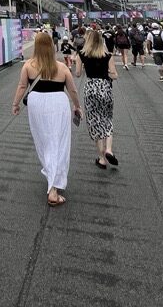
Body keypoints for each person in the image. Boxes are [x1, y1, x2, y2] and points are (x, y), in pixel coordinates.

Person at [12, 32, 83, 207]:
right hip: (58, 103)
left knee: (43, 141)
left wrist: (15, 104)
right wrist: (77, 106)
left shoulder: (28, 66)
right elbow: (72, 90)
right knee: (59, 142)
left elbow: (22, 86)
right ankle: (54, 188)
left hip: (36, 104)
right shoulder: (62, 67)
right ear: (52, 46)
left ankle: (51, 176)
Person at [75, 30, 119, 169]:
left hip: (90, 89)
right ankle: (109, 149)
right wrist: (105, 73)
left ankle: (101, 158)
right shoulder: (108, 56)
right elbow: (115, 76)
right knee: (107, 118)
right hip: (105, 88)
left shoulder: (82, 55)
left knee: (95, 122)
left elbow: (77, 73)